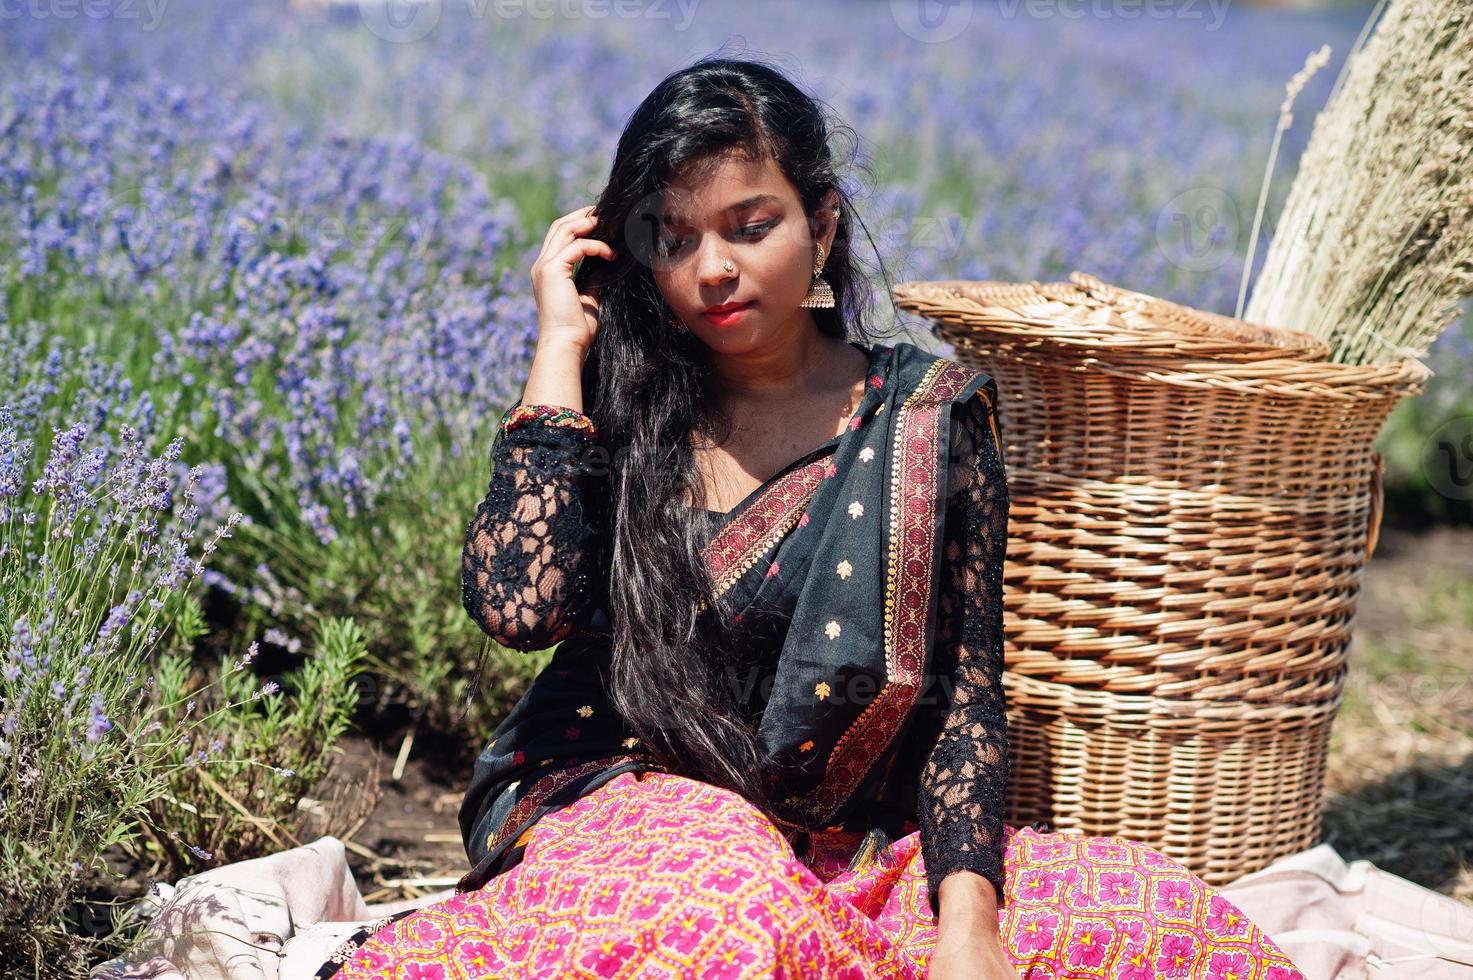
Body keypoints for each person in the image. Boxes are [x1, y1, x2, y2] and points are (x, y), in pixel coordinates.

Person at [317, 57, 1306, 980]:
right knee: (731, 900)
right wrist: (558, 342)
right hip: (623, 802)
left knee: (1152, 921)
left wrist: (970, 924)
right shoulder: (621, 402)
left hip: (848, 841)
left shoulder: (925, 418)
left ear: (822, 227)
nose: (713, 266)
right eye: (674, 235)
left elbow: (967, 696)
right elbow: (519, 609)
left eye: (751, 225)